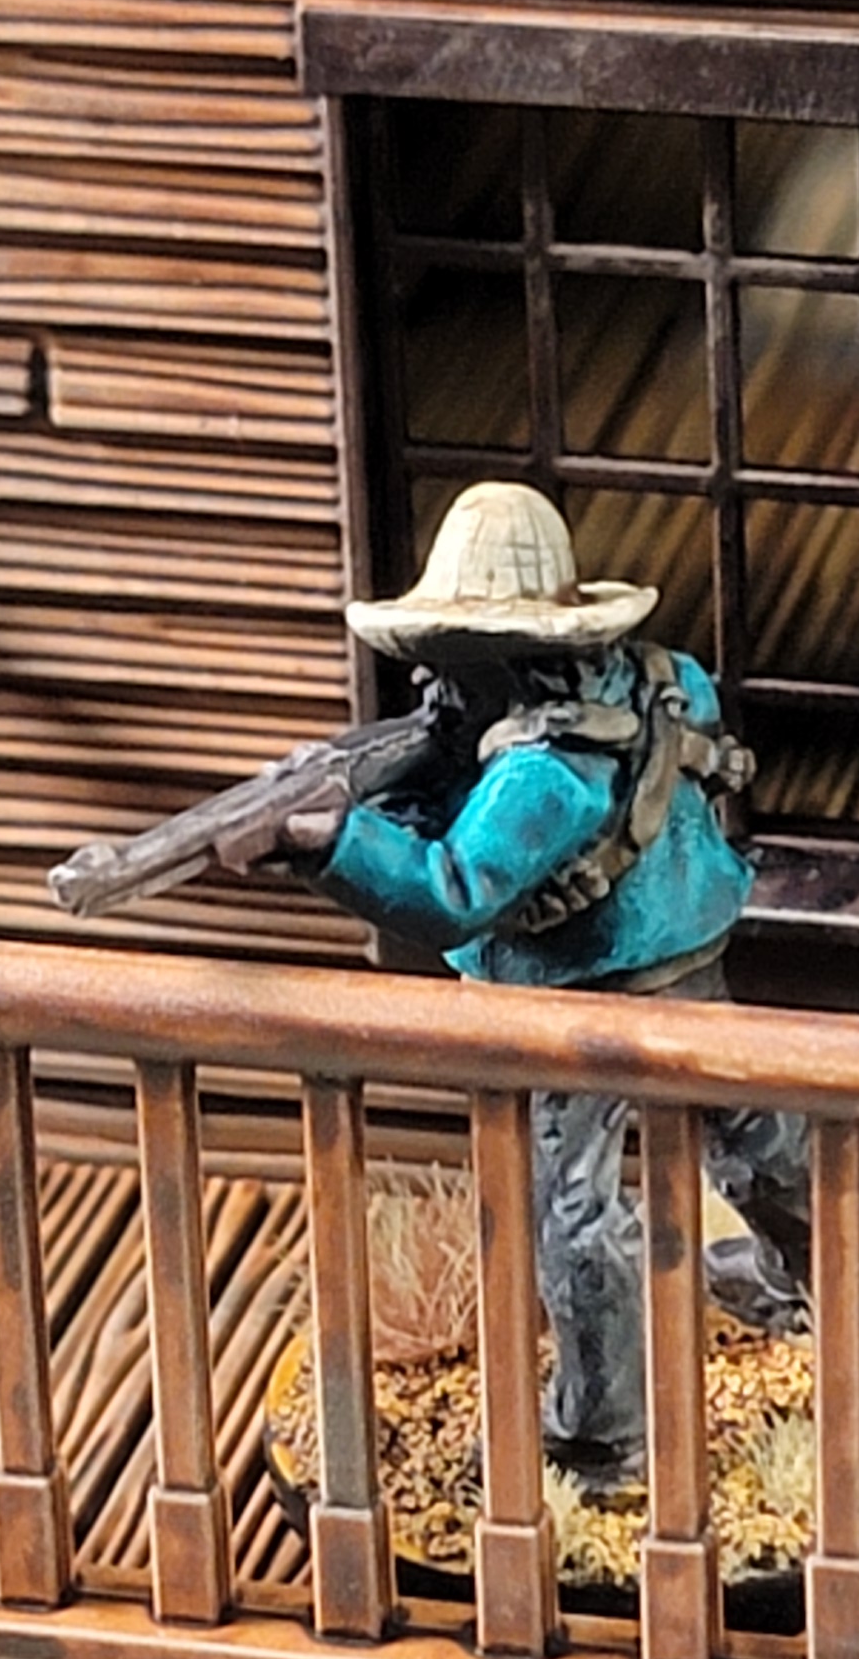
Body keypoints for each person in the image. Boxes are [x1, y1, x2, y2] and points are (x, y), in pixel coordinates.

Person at [264, 481, 812, 1491]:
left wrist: (332, 842)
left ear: (506, 658)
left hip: (570, 1004)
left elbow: (451, 893)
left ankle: (604, 1437)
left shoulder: (542, 774)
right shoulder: (669, 679)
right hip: (692, 948)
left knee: (574, 1215)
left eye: (452, 655)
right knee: (759, 1134)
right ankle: (812, 1286)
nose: (430, 677)